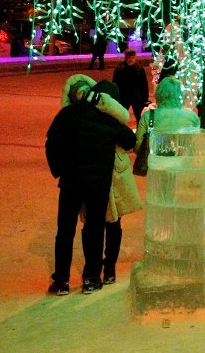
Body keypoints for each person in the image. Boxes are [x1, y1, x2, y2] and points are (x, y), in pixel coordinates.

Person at [46, 74, 137, 295]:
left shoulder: (66, 115)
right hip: (99, 183)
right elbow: (130, 140)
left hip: (71, 182)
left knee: (65, 230)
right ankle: (91, 278)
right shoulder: (106, 117)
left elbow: (51, 144)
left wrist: (59, 170)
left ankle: (62, 281)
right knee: (94, 229)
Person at [82, 79, 144, 285]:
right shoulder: (113, 122)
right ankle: (108, 268)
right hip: (112, 176)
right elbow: (129, 141)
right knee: (113, 223)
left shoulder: (88, 117)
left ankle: (96, 268)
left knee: (95, 224)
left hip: (96, 178)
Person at [112, 48, 150, 123]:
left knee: (140, 118)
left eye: (132, 57)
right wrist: (115, 96)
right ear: (125, 58)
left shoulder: (139, 69)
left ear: (135, 58)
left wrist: (145, 97)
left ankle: (140, 133)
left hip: (137, 97)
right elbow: (115, 84)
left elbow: (144, 84)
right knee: (121, 117)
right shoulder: (120, 69)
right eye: (129, 57)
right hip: (123, 97)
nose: (130, 59)